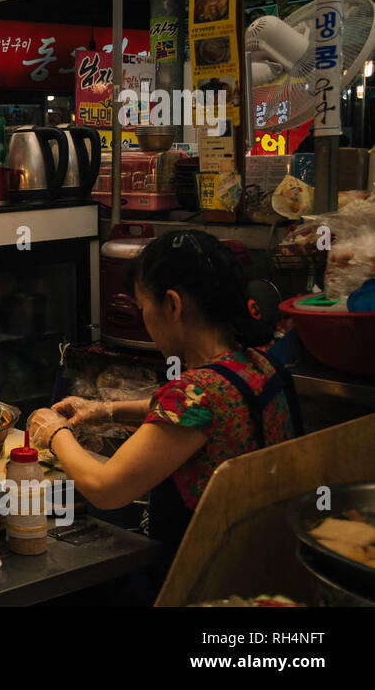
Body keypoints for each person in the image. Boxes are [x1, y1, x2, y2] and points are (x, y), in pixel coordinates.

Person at [26, 230, 298, 582]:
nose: (145, 319)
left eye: (143, 307)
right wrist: (106, 409)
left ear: (172, 305)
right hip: (260, 564)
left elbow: (106, 488)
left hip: (203, 578)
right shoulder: (261, 363)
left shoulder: (195, 393)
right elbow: (205, 411)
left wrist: (55, 431)